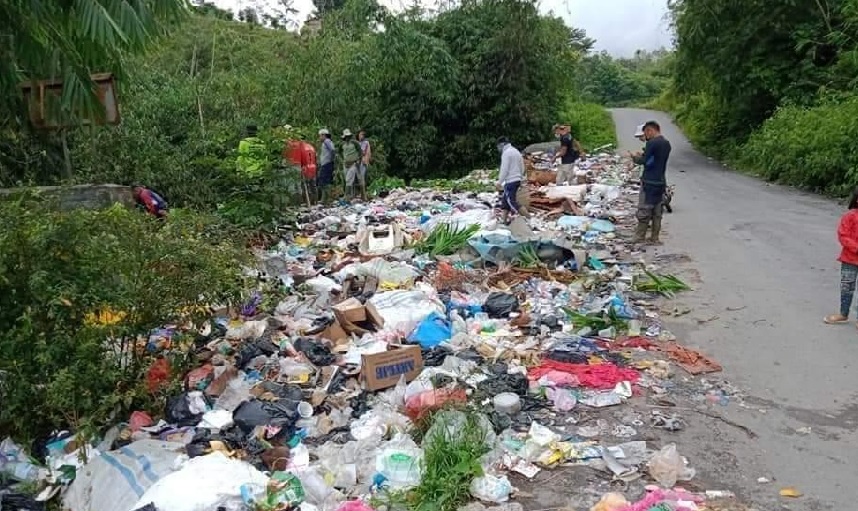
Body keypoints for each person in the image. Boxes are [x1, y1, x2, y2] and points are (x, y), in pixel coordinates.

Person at [633, 120, 671, 244]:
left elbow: (646, 162)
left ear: (650, 130)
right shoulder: (666, 144)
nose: (645, 137)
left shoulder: (652, 143)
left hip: (649, 181)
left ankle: (639, 237)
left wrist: (635, 157)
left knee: (644, 210)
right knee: (657, 211)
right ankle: (655, 238)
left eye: (645, 133)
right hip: (660, 181)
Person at [825, 188, 858, 325]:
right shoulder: (850, 216)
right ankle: (843, 314)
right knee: (847, 287)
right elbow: (843, 236)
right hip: (849, 259)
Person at [496, 137, 527, 224]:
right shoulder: (516, 151)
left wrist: (499, 182)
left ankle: (530, 218)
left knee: (511, 202)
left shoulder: (506, 153)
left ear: (502, 144)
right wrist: (520, 177)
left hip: (510, 181)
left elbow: (504, 169)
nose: (498, 148)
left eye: (498, 146)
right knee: (505, 202)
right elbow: (522, 167)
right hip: (517, 179)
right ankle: (504, 220)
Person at [283, 134, 318, 206]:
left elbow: (284, 155)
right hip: (307, 166)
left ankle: (294, 203)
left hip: (292, 165)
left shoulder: (287, 144)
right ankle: (311, 201)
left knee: (291, 185)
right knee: (303, 185)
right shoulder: (308, 146)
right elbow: (313, 156)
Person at [341, 129, 364, 200]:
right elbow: (339, 152)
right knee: (346, 180)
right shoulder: (343, 144)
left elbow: (360, 152)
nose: (347, 138)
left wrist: (358, 161)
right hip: (345, 164)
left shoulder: (355, 143)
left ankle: (347, 196)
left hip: (353, 164)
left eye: (348, 136)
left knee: (349, 179)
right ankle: (349, 195)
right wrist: (343, 159)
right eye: (346, 136)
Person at [317, 128, 336, 203]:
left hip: (327, 164)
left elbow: (332, 150)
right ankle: (325, 198)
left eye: (320, 136)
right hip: (325, 163)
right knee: (324, 181)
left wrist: (331, 159)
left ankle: (325, 199)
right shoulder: (326, 142)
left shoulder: (327, 141)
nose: (320, 138)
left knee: (324, 181)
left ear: (324, 135)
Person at [358, 130, 371, 200]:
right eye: (359, 135)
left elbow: (362, 152)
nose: (359, 136)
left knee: (361, 178)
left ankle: (363, 195)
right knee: (360, 178)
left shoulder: (365, 142)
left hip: (363, 162)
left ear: (363, 136)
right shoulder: (360, 142)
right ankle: (362, 194)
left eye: (360, 135)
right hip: (360, 162)